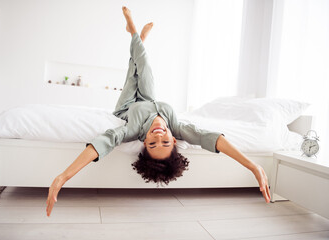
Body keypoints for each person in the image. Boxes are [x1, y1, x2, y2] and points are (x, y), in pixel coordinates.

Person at [46, 6, 271, 217]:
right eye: (165, 142)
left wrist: (63, 176)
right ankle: (135, 35)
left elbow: (105, 142)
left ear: (144, 143)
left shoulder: (133, 130)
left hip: (127, 106)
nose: (159, 137)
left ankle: (135, 35)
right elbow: (210, 138)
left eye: (152, 144)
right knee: (143, 68)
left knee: (135, 72)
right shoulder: (178, 128)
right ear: (174, 140)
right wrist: (253, 165)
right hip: (148, 98)